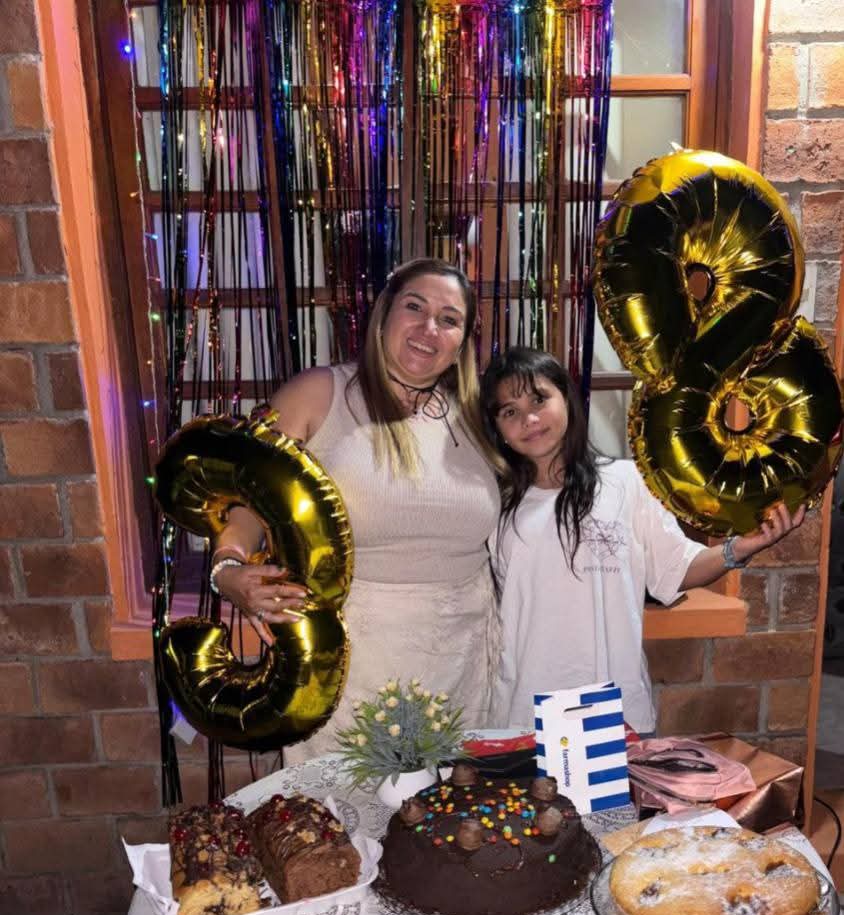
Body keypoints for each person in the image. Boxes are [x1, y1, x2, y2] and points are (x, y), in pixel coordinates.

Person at [211, 258, 502, 761]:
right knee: (348, 805)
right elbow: (247, 498)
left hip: (465, 658)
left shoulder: (476, 414)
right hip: (352, 660)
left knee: (452, 806)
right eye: (415, 307)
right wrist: (227, 568)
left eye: (449, 319)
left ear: (461, 343)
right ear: (384, 315)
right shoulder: (319, 393)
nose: (429, 328)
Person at [480, 346, 805, 734]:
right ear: (498, 427)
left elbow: (675, 567)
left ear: (565, 397)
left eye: (539, 399)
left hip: (613, 710)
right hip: (523, 711)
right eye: (510, 412)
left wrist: (741, 548)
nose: (529, 419)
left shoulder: (626, 482)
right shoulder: (494, 503)